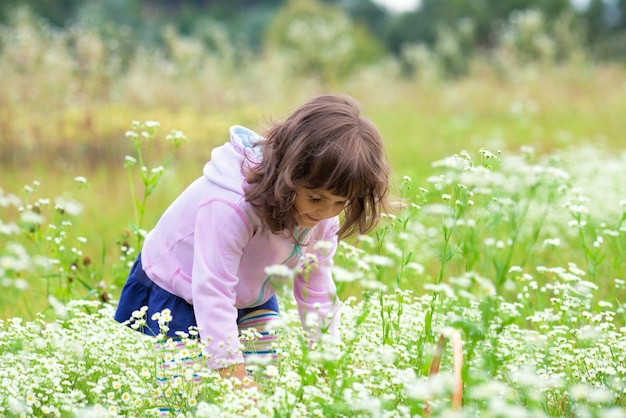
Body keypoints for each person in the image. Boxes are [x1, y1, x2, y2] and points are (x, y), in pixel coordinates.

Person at [114, 93, 390, 389]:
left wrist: (325, 363)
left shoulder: (322, 217)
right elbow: (213, 288)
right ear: (288, 174)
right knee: (187, 392)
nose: (326, 212)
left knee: (261, 384)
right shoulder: (231, 205)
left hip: (250, 293)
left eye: (340, 202)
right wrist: (233, 373)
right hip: (180, 287)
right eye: (315, 198)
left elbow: (317, 291)